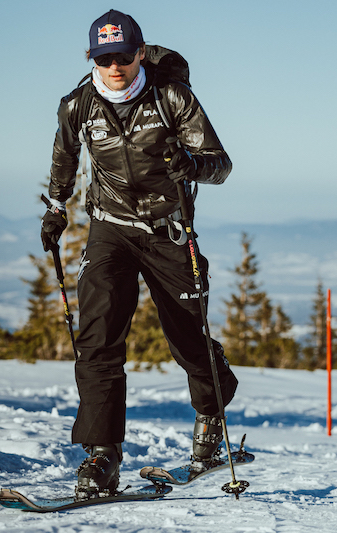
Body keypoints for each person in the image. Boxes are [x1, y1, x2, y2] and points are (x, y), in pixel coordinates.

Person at [40, 9, 238, 497]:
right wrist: (55, 208)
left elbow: (222, 165)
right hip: (110, 229)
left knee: (189, 338)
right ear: (92, 58)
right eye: (104, 58)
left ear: (141, 54)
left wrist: (190, 163)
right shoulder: (77, 106)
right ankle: (102, 455)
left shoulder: (171, 98)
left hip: (168, 230)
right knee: (98, 338)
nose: (115, 68)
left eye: (123, 57)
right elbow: (65, 156)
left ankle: (211, 418)